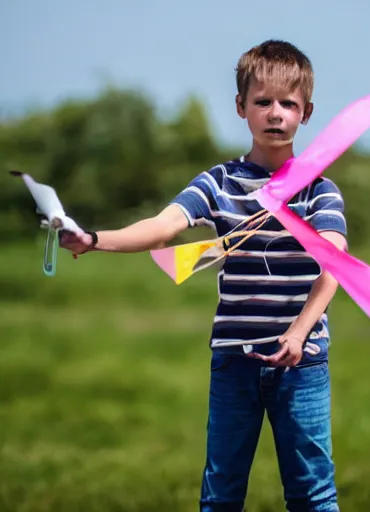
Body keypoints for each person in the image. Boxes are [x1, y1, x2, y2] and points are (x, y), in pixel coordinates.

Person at [60, 39, 348, 512]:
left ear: (306, 112)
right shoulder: (218, 182)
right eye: (262, 102)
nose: (275, 113)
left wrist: (298, 333)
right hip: (233, 362)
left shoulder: (319, 191)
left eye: (288, 104)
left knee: (313, 495)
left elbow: (334, 266)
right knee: (220, 495)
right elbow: (161, 228)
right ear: (241, 107)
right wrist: (94, 239)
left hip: (302, 365)